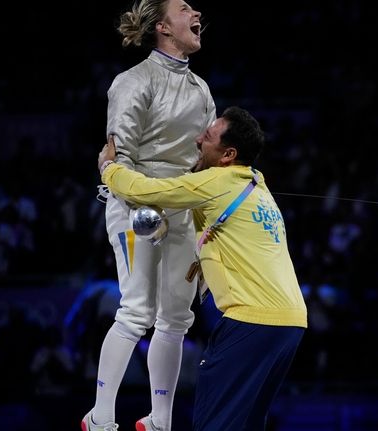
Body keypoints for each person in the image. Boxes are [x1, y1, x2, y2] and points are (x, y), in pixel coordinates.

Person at [97, 106, 308, 431]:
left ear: (228, 154)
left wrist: (109, 168)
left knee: (216, 424)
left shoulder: (217, 182)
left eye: (207, 137)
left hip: (251, 322)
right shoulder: (256, 185)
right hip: (290, 325)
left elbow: (144, 191)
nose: (198, 139)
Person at [82, 0, 216, 430]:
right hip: (136, 206)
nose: (196, 12)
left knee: (177, 316)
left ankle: (160, 420)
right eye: (185, 8)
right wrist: (141, 208)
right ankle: (100, 417)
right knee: (137, 310)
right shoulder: (134, 81)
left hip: (184, 208)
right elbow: (117, 155)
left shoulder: (201, 88)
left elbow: (209, 162)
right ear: (163, 26)